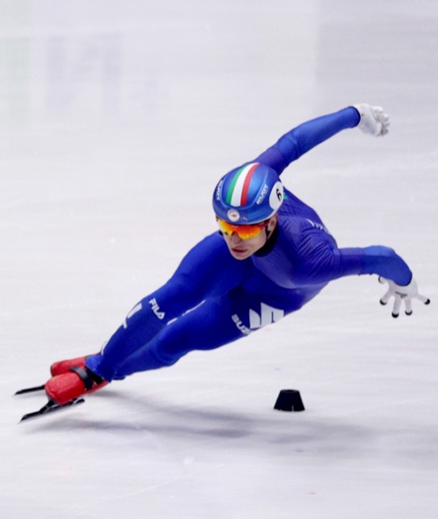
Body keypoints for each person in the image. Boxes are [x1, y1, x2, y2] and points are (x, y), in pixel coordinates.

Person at [43, 104, 428, 408]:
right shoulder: (252, 190)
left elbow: (382, 256)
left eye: (243, 229)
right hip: (258, 260)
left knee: (176, 341)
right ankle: (101, 364)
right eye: (225, 226)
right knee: (171, 297)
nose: (233, 239)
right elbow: (296, 141)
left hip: (278, 290)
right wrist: (354, 114)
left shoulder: (309, 265)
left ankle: (110, 368)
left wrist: (404, 282)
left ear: (272, 220)